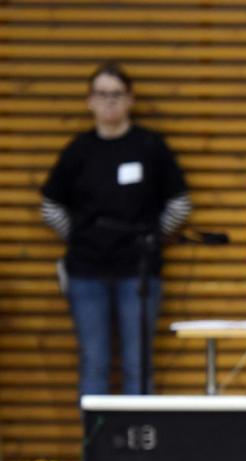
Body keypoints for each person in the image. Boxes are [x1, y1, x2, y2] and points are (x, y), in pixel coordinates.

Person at [41, 62, 192, 396]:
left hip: (137, 271)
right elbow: (50, 206)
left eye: (116, 94)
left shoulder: (149, 147)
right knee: (94, 362)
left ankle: (141, 446)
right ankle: (95, 448)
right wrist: (82, 236)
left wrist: (152, 239)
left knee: (138, 363)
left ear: (130, 100)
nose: (109, 102)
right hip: (87, 271)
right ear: (89, 101)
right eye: (102, 94)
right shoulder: (79, 151)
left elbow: (180, 204)